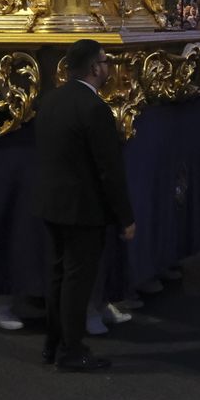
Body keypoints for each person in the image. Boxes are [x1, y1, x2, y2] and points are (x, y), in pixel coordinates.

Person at [33, 39, 135, 372]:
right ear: (94, 67)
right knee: (77, 282)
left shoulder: (50, 100)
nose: (108, 68)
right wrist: (126, 216)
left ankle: (54, 343)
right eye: (105, 62)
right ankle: (71, 349)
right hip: (84, 209)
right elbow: (109, 169)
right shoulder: (95, 109)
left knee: (58, 277)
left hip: (53, 204)